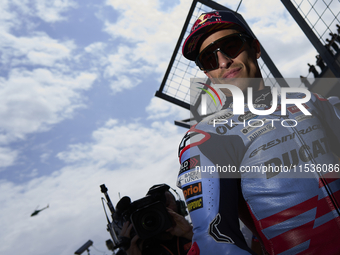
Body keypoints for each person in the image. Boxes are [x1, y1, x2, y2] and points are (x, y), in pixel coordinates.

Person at [177, 10, 340, 255]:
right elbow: (214, 243)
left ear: (255, 47)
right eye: (209, 59)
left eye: (230, 45)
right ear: (207, 74)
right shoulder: (206, 138)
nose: (223, 62)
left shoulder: (312, 102)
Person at [119, 184, 193, 255]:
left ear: (179, 206)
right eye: (159, 207)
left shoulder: (194, 234)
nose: (164, 210)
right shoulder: (139, 247)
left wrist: (190, 234)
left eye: (167, 204)